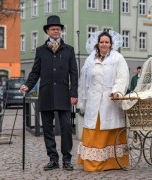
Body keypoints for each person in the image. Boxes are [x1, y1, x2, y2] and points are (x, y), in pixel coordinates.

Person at [20, 15, 78, 171]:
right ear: (47, 31)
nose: (56, 31)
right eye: (53, 29)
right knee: (47, 128)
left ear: (61, 31)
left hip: (63, 94)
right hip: (46, 93)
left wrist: (74, 93)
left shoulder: (69, 50)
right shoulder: (41, 50)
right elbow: (35, 72)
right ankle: (53, 158)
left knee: (66, 127)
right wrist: (27, 86)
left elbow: (74, 74)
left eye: (58, 29)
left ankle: (67, 159)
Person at [77, 31, 130, 171]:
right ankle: (92, 163)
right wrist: (82, 99)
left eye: (107, 42)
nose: (104, 44)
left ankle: (113, 162)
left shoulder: (118, 58)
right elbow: (83, 80)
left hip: (109, 100)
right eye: (102, 42)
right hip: (93, 100)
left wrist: (117, 91)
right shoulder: (90, 60)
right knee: (92, 129)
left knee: (109, 129)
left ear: (111, 44)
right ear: (97, 44)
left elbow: (122, 77)